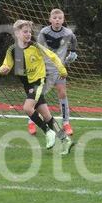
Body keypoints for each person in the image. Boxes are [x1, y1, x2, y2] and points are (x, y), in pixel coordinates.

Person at [0, 19, 74, 155]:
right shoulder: (12, 50)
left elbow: (53, 56)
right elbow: (6, 65)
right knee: (47, 117)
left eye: (29, 32)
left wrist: (62, 70)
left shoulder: (36, 47)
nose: (28, 34)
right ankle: (66, 140)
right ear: (17, 33)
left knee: (27, 108)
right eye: (25, 32)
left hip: (38, 82)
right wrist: (3, 69)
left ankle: (48, 132)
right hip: (27, 86)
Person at [28, 8, 78, 136]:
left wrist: (73, 52)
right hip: (44, 69)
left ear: (63, 20)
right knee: (38, 96)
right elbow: (38, 48)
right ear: (50, 19)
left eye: (60, 18)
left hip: (59, 70)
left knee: (62, 93)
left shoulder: (68, 33)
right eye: (55, 18)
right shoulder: (44, 32)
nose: (57, 20)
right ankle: (31, 122)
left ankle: (66, 123)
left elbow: (74, 40)